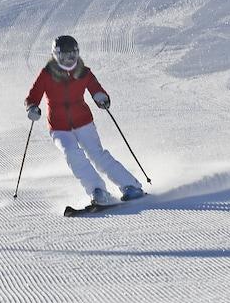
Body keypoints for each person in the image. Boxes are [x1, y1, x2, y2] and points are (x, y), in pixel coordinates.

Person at [24, 35, 145, 205]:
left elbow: (96, 88)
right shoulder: (46, 74)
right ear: (56, 55)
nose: (69, 60)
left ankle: (130, 186)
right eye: (65, 56)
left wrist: (101, 97)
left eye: (73, 55)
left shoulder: (84, 72)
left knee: (97, 155)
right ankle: (98, 191)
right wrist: (32, 107)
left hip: (83, 121)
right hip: (59, 126)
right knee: (72, 154)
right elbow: (33, 96)